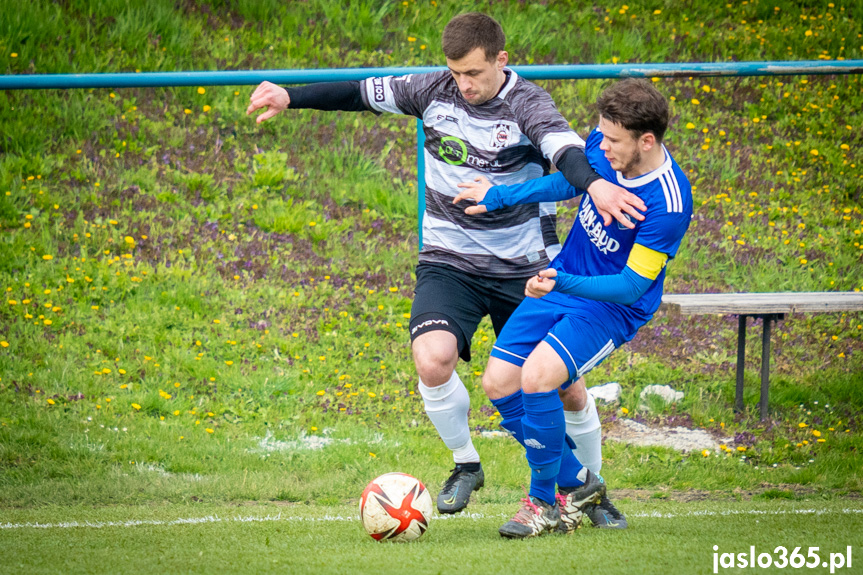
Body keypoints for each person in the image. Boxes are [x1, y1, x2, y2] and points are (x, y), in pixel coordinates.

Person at [246, 12, 643, 520]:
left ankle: (590, 493)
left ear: (501, 60)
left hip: (525, 267)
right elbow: (359, 92)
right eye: (456, 73)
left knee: (562, 385)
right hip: (448, 261)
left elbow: (564, 153)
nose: (465, 85)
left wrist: (594, 184)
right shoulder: (432, 89)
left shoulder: (529, 103)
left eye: (474, 73)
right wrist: (288, 96)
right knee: (432, 359)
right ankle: (466, 464)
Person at [453, 78, 693, 538]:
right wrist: (497, 195)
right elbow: (568, 181)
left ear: (647, 140)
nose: (600, 144)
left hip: (609, 307)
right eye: (600, 133)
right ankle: (584, 485)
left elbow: (628, 287)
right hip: (564, 279)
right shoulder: (608, 144)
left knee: (538, 379)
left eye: (613, 139)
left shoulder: (669, 201)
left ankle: (542, 502)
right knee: (499, 383)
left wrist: (560, 279)